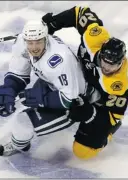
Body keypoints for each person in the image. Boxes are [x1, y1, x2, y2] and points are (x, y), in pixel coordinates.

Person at [0, 20, 93, 156]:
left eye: (38, 42)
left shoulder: (59, 60)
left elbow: (69, 99)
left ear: (46, 38)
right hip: (52, 83)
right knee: (27, 96)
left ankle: (19, 145)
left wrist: (41, 98)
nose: (34, 47)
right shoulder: (22, 42)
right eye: (30, 42)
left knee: (22, 122)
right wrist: (8, 90)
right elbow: (19, 72)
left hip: (76, 103)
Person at [42, 6, 128, 159]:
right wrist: (53, 23)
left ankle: (108, 134)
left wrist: (90, 113)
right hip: (79, 77)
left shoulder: (120, 84)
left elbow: (112, 114)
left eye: (112, 65)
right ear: (100, 52)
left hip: (103, 104)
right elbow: (79, 13)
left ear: (121, 62)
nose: (107, 67)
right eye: (104, 61)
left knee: (83, 152)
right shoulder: (94, 38)